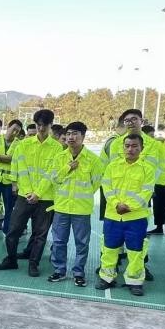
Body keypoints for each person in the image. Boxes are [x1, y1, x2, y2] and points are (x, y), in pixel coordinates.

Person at [0, 109, 61, 276]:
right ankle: (11, 260)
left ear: (50, 125)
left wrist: (38, 193)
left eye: (44, 125)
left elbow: (52, 173)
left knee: (40, 234)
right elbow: (18, 168)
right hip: (24, 196)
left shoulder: (57, 148)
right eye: (38, 125)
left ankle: (34, 264)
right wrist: (23, 190)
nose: (40, 128)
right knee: (13, 231)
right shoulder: (23, 145)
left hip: (46, 198)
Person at [97, 132, 157, 294]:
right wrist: (117, 204)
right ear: (123, 147)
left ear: (141, 148)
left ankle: (135, 281)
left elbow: (147, 191)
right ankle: (106, 278)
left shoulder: (148, 169)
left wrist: (129, 206)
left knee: (136, 251)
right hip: (113, 216)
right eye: (127, 146)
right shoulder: (112, 166)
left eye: (134, 146)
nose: (130, 149)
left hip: (136, 218)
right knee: (109, 249)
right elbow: (106, 187)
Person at [47, 121, 103, 287]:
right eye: (69, 134)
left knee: (81, 243)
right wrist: (67, 168)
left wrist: (82, 196)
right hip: (62, 207)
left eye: (75, 134)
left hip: (81, 208)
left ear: (83, 137)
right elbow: (54, 179)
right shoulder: (59, 158)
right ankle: (59, 270)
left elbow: (96, 183)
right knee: (58, 241)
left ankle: (78, 272)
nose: (71, 137)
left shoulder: (93, 160)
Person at [101, 109, 165, 234]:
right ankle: (119, 252)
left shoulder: (154, 145)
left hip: (140, 193)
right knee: (115, 233)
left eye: (134, 119)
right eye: (126, 120)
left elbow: (159, 167)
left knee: (137, 229)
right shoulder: (116, 144)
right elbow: (109, 167)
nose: (130, 123)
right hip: (117, 193)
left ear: (141, 121)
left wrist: (149, 188)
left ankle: (138, 251)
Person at [0, 119, 19, 235]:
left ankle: (7, 231)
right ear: (8, 127)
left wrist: (0, 156)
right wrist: (8, 157)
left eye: (18, 131)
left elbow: (15, 159)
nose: (15, 132)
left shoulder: (19, 144)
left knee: (9, 208)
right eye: (14, 129)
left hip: (10, 181)